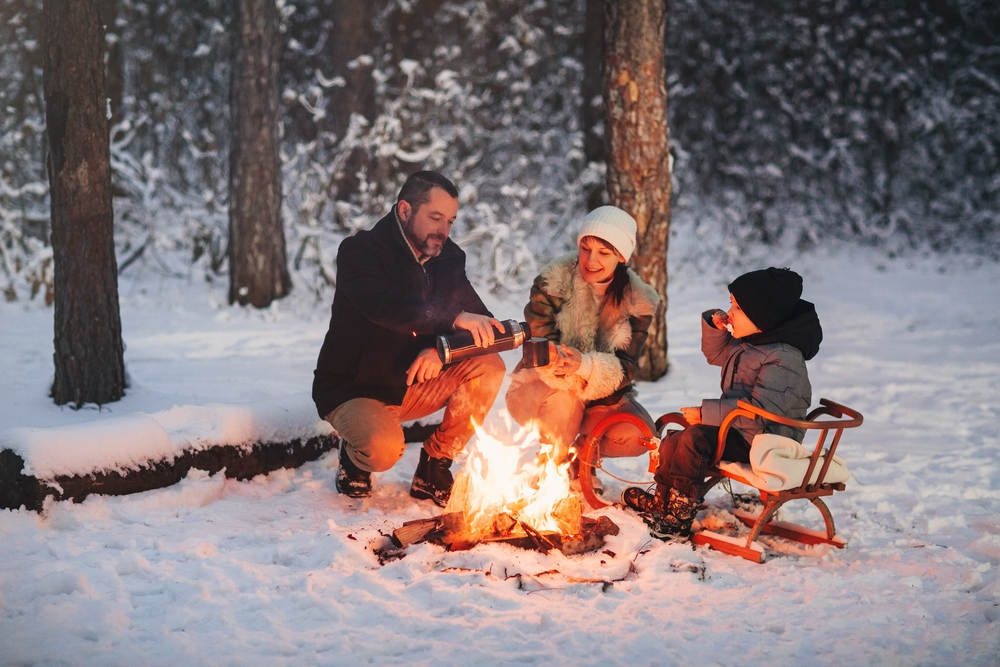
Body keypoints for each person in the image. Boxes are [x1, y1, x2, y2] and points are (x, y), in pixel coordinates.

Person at [312, 171, 506, 507]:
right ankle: (355, 456)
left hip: (413, 383)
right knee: (383, 451)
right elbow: (387, 306)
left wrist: (441, 350)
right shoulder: (360, 252)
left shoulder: (448, 258)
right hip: (357, 388)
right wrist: (452, 318)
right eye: (435, 217)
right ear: (404, 210)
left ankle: (434, 464)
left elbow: (481, 325)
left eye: (450, 220)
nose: (443, 230)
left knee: (488, 365)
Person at [623, 267, 823, 540]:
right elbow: (715, 353)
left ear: (761, 317)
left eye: (737, 307)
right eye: (731, 303)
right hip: (743, 431)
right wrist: (714, 325)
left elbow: (760, 411)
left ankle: (679, 515)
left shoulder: (784, 359)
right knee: (674, 439)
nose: (729, 313)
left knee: (694, 440)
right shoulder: (751, 343)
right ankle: (663, 502)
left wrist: (706, 414)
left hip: (767, 442)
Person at [505, 206, 660, 473]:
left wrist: (585, 365)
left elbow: (625, 369)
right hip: (539, 388)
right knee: (565, 402)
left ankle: (580, 460)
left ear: (621, 256)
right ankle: (550, 471)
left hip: (598, 398)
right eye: (585, 248)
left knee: (638, 435)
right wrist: (560, 361)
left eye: (604, 253)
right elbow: (539, 346)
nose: (591, 260)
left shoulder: (638, 301)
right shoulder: (552, 283)